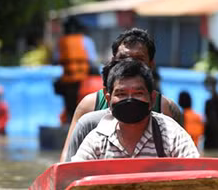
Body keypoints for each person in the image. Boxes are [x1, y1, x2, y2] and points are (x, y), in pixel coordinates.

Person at [59, 27, 184, 161]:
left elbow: (183, 163)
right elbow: (67, 160)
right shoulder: (89, 107)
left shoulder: (166, 110)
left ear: (151, 65)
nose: (129, 65)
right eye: (123, 59)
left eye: (138, 59)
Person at [71, 59, 199, 161]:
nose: (129, 100)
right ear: (108, 99)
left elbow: (196, 177)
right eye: (121, 94)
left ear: (152, 99)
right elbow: (74, 179)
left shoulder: (171, 135)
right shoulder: (97, 141)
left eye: (138, 93)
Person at [52, 16, 98, 123]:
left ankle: (69, 128)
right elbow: (92, 60)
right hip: (84, 82)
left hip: (68, 82)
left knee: (70, 110)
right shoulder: (86, 40)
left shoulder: (61, 42)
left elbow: (56, 61)